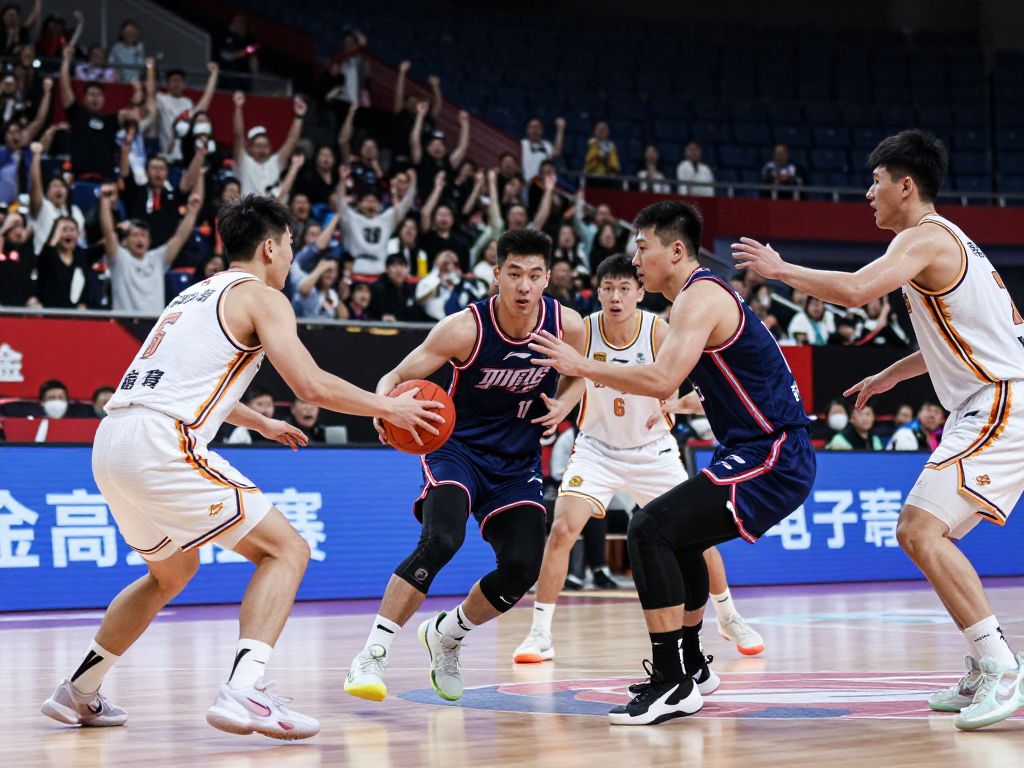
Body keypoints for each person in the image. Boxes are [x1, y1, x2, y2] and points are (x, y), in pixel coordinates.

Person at [40, 194, 443, 739]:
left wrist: (260, 423)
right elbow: (311, 385)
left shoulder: (194, 293)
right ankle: (245, 691)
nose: (292, 257)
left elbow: (187, 379)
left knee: (171, 572)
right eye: (292, 246)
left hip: (113, 441)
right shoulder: (263, 297)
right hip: (163, 443)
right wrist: (389, 405)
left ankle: (78, 690)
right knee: (287, 549)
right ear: (270, 246)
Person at [731, 129, 1024, 731]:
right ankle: (983, 662)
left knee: (919, 531)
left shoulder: (926, 239)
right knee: (925, 534)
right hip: (992, 399)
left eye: (876, 181)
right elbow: (959, 338)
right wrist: (892, 374)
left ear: (905, 186)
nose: (869, 193)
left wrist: (779, 268)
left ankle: (1001, 665)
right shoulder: (941, 245)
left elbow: (858, 291)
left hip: (999, 402)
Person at [531, 201, 814, 725]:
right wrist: (686, 402)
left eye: (642, 248)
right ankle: (692, 666)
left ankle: (671, 681)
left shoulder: (697, 299)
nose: (635, 261)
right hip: (755, 449)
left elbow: (661, 379)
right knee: (677, 535)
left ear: (676, 250)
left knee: (649, 528)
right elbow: (705, 385)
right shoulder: (698, 299)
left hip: (773, 453)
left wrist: (581, 366)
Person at [344, 228, 587, 704]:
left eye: (534, 276)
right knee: (441, 540)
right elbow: (394, 376)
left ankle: (447, 635)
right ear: (496, 274)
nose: (523, 286)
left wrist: (564, 406)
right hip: (457, 450)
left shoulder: (567, 326)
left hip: (517, 462)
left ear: (548, 280)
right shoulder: (465, 329)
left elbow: (583, 374)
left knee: (521, 567)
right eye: (514, 274)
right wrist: (384, 407)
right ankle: (372, 653)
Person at [514, 254, 763, 668]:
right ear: (598, 291)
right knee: (562, 527)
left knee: (700, 540)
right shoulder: (585, 329)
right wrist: (562, 407)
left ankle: (729, 616)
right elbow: (577, 376)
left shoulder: (659, 331)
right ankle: (540, 632)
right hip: (596, 449)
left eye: (624, 288)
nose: (615, 296)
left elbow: (692, 372)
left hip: (653, 452)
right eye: (608, 288)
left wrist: (675, 399)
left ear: (639, 293)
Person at [99, 182, 201, 315]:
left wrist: (192, 212)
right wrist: (105, 201)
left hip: (153, 325)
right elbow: (108, 233)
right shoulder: (120, 257)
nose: (140, 239)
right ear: (125, 241)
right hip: (123, 325)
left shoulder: (157, 258)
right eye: (135, 235)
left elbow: (179, 238)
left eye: (143, 235)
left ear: (149, 241)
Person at [232, 91, 306, 197]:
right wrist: (238, 108)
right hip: (248, 211)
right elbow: (238, 135)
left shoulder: (276, 162)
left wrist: (299, 116)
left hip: (272, 211)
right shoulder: (244, 162)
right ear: (250, 148)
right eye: (258, 145)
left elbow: (292, 140)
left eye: (265, 145)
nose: (262, 149)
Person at [156, 62, 219, 162]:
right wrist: (150, 68)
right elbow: (150, 94)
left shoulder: (187, 103)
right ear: (167, 84)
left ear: (184, 85)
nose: (177, 83)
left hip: (186, 158)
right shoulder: (161, 99)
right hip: (167, 158)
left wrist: (214, 75)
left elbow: (202, 108)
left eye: (180, 80)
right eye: (174, 80)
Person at [521, 116, 565, 183]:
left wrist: (560, 129)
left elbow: (557, 152)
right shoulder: (522, 144)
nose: (535, 131)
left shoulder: (547, 145)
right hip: (524, 183)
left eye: (537, 128)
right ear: (527, 130)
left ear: (542, 130)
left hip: (541, 184)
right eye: (532, 128)